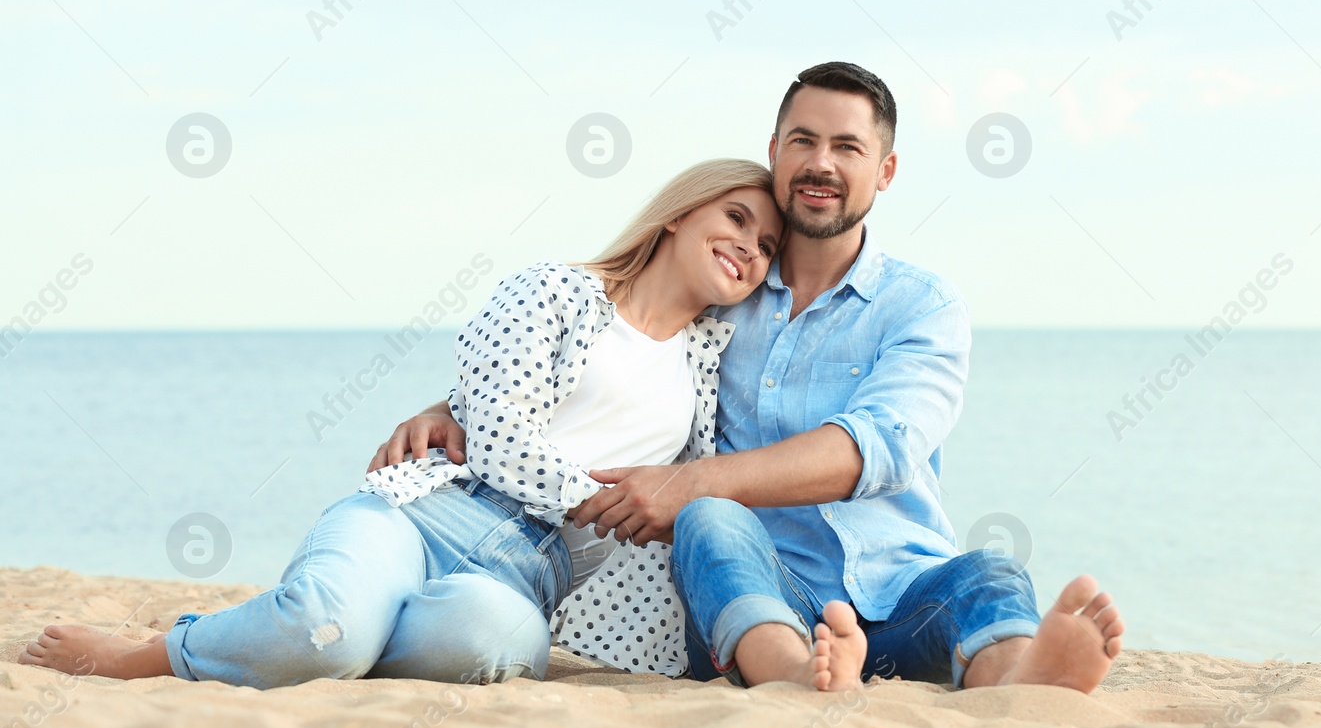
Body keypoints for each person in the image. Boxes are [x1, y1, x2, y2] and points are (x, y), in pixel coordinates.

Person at [379, 62, 1127, 695]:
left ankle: (1022, 682)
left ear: (885, 171)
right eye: (803, 141)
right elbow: (608, 356)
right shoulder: (720, 302)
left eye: (847, 146)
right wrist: (456, 404)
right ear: (775, 152)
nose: (821, 163)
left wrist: (694, 479)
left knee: (987, 575)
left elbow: (877, 450)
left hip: (905, 592)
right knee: (709, 518)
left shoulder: (921, 306)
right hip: (755, 591)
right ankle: (796, 678)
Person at [19, 159, 784, 687]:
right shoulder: (557, 290)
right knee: (327, 627)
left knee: (484, 644)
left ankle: (317, 638)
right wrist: (596, 498)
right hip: (427, 518)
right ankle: (148, 655)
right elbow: (495, 419)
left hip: (529, 578)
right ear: (682, 213)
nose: (749, 247)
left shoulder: (709, 364)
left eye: (766, 246)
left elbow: (711, 485)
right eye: (737, 218)